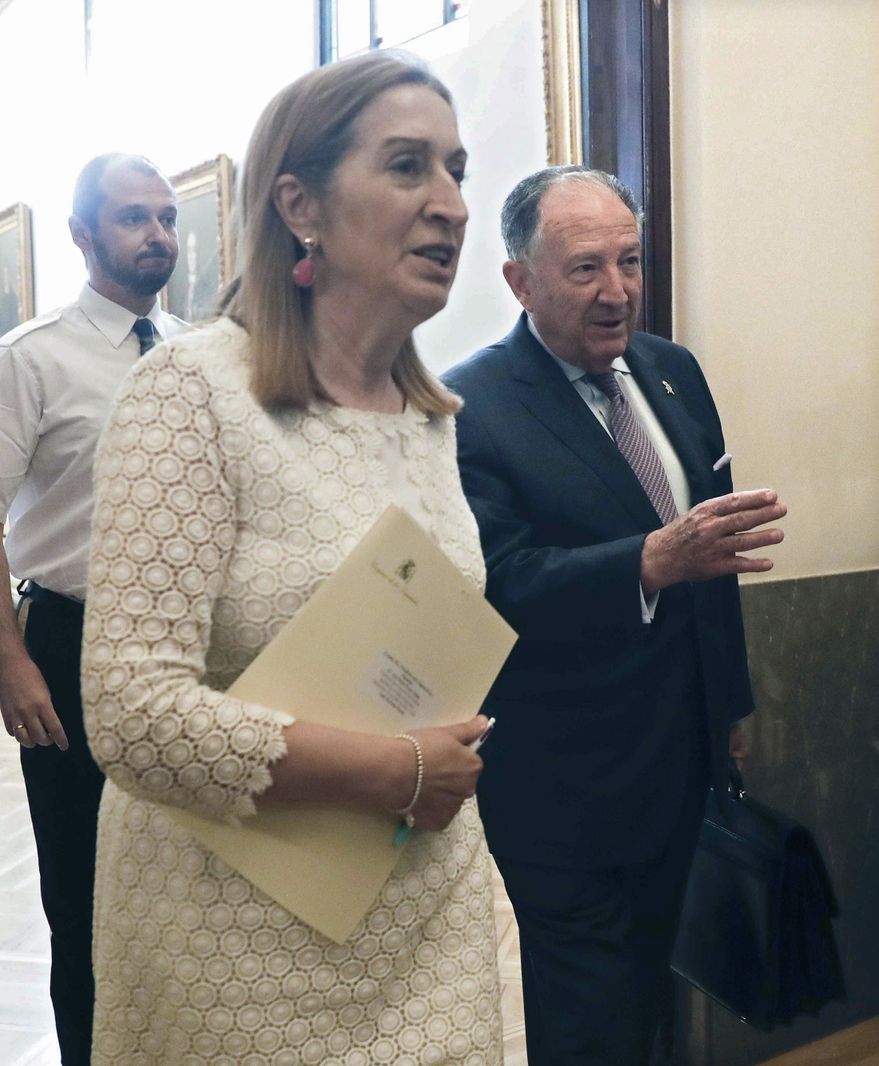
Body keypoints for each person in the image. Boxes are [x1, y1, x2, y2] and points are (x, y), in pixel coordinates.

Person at [79, 53, 501, 1063]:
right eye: (408, 167)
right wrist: (392, 769)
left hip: (426, 921)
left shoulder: (432, 418)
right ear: (299, 204)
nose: (448, 204)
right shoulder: (193, 391)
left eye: (457, 170)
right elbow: (131, 714)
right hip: (235, 944)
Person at [443, 165, 783, 1065]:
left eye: (630, 262)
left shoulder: (673, 371)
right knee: (585, 1014)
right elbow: (496, 583)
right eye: (586, 267)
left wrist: (732, 703)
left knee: (655, 987)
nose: (617, 291)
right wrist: (643, 561)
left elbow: (717, 553)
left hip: (682, 757)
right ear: (519, 280)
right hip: (561, 780)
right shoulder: (468, 407)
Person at [0, 152, 186, 1065]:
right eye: (133, 219)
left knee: (188, 889)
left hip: (188, 650)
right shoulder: (33, 360)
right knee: (84, 896)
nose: (157, 236)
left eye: (166, 218)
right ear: (81, 236)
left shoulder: (197, 354)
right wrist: (10, 662)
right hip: (70, 642)